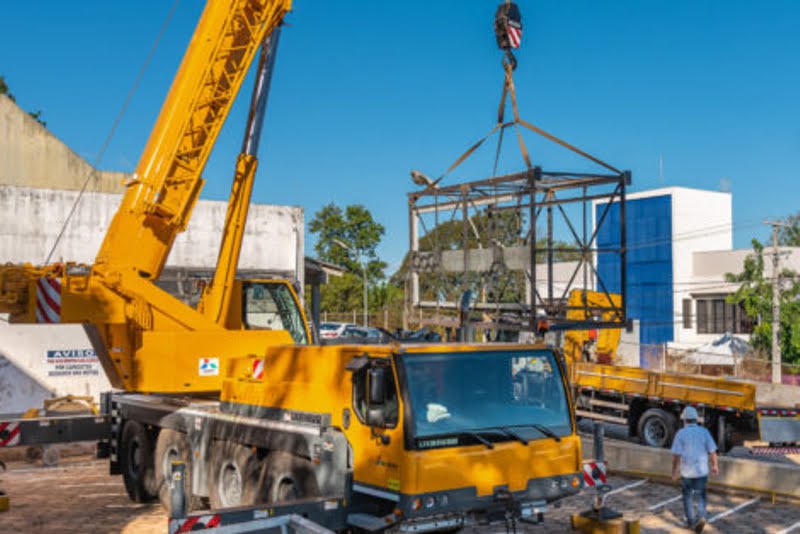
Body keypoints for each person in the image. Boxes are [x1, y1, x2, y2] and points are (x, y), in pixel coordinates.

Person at [670, 406, 719, 532]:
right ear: (696, 419)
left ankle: (691, 521)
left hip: (687, 472)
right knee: (701, 495)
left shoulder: (680, 434)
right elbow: (712, 451)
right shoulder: (704, 432)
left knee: (687, 496)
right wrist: (714, 466)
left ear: (684, 420)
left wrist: (674, 471)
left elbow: (676, 455)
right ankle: (701, 517)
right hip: (701, 470)